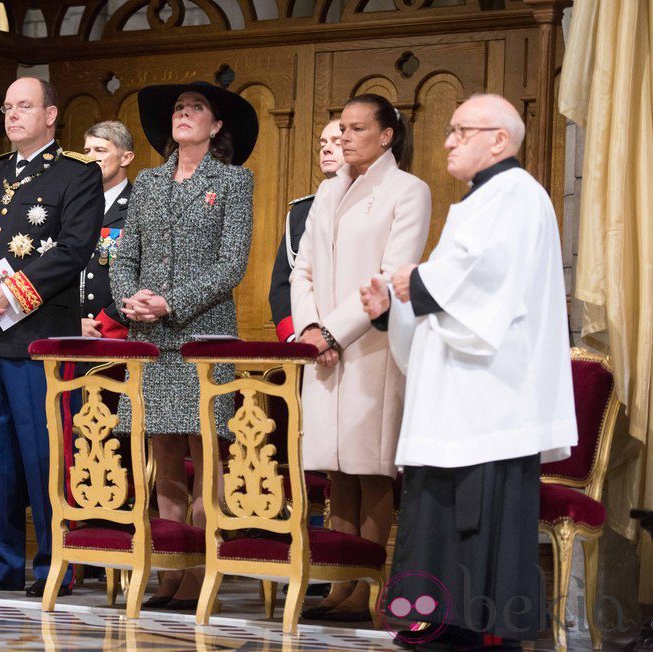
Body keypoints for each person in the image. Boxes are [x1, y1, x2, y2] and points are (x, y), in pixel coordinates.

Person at [360, 94, 577, 649]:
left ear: (499, 139)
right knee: (433, 513)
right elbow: (452, 288)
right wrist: (395, 305)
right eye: (450, 130)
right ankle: (431, 620)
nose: (448, 140)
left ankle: (481, 630)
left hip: (490, 399)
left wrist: (417, 283)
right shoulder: (485, 200)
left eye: (461, 130)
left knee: (474, 516)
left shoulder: (517, 197)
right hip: (456, 396)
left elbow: (487, 285)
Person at [0, 77, 103, 598]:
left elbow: (75, 248)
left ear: (51, 115)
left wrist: (10, 296)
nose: (12, 114)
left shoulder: (75, 175)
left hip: (38, 336)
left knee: (43, 455)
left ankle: (56, 562)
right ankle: (0, 564)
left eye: (24, 106)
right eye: (8, 106)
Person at [111, 81, 257, 610]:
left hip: (202, 336)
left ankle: (201, 573)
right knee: (162, 455)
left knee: (206, 453)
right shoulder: (148, 183)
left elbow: (231, 265)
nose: (183, 114)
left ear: (216, 126)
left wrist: (169, 302)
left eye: (195, 108)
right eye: (177, 108)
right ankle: (169, 572)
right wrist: (132, 298)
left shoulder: (234, 182)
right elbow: (125, 256)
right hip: (149, 338)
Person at [293, 94, 431, 622]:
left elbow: (393, 273)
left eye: (356, 129)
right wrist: (309, 328)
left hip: (371, 343)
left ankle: (370, 589)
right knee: (337, 468)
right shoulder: (328, 191)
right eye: (342, 129)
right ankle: (337, 585)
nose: (345, 138)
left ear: (387, 135)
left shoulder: (407, 191)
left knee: (370, 467)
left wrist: (331, 330)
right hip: (322, 349)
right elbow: (302, 268)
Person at [269, 119, 344, 342]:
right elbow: (281, 285)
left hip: (355, 339)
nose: (326, 149)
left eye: (336, 142)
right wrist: (295, 336)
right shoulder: (301, 212)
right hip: (306, 337)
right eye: (322, 144)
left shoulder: (375, 204)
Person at [80, 120, 134, 340]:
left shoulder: (139, 205)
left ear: (126, 158)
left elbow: (146, 274)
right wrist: (71, 321)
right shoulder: (74, 206)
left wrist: (106, 322)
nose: (90, 157)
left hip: (116, 331)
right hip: (73, 331)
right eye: (86, 150)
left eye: (100, 150)